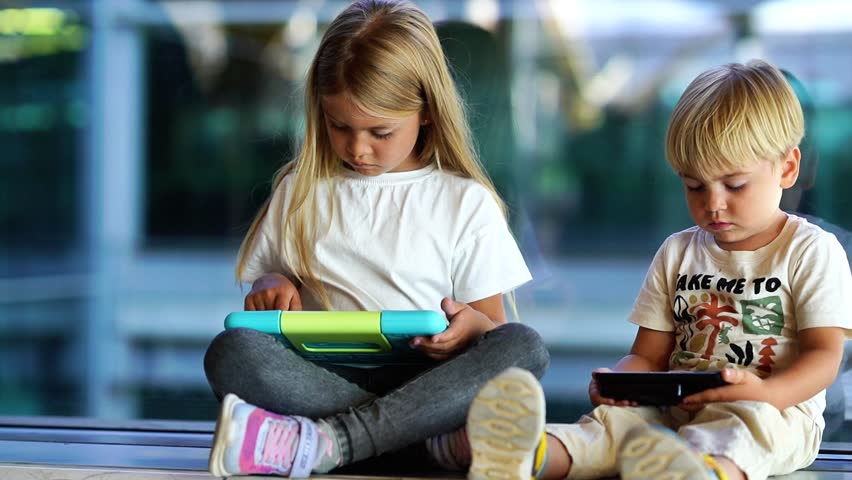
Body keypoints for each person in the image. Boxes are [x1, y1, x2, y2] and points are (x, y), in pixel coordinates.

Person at [450, 60, 852, 480]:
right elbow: (648, 355)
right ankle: (523, 455)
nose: (713, 204)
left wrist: (767, 392)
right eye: (694, 186)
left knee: (746, 427)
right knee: (612, 428)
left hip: (776, 410)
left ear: (787, 168)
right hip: (674, 408)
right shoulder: (677, 251)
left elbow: (824, 355)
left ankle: (697, 472)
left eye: (734, 185)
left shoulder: (810, 250)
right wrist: (620, 383)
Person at [202, 0, 550, 477]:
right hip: (325, 377)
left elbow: (491, 328)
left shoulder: (464, 202)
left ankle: (329, 442)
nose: (357, 148)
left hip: (428, 379)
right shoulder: (300, 190)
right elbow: (267, 286)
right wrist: (270, 286)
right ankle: (424, 444)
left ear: (426, 112)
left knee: (524, 347)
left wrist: (466, 330)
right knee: (231, 351)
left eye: (379, 132)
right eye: (339, 126)